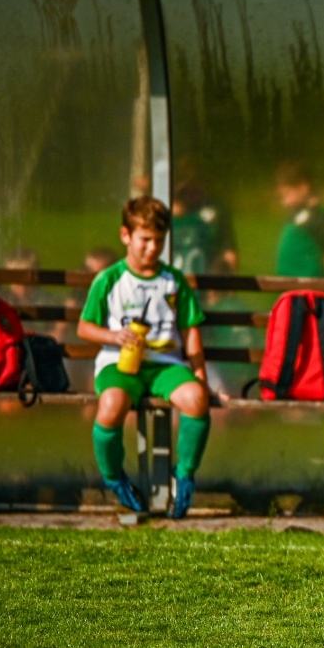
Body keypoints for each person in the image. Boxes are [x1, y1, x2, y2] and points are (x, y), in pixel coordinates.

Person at [76, 197, 211, 519]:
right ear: (126, 236)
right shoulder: (109, 279)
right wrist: (114, 336)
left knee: (195, 399)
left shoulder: (174, 281)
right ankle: (115, 479)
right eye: (145, 240)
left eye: (159, 241)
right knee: (110, 406)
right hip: (118, 364)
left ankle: (185, 477)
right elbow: (84, 327)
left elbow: (190, 330)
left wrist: (200, 375)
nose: (153, 248)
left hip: (165, 365)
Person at [274, 161, 324, 278]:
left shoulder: (318, 217)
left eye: (287, 195)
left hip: (309, 287)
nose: (284, 203)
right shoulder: (297, 214)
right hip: (288, 285)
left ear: (304, 188)